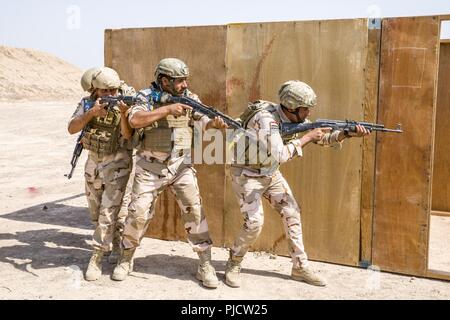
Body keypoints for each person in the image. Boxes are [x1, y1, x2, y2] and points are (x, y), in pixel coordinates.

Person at [225, 80, 370, 287]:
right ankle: (234, 263)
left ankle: (300, 267)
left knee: (292, 212)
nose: (309, 114)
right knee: (255, 223)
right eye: (306, 110)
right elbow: (281, 154)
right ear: (292, 107)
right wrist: (307, 137)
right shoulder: (266, 119)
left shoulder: (292, 118)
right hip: (246, 175)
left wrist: (346, 133)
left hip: (269, 173)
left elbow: (321, 139)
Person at [112, 58, 227, 288]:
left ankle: (205, 264)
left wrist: (214, 124)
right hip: (149, 167)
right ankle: (126, 258)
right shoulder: (144, 97)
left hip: (180, 165)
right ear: (164, 81)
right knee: (138, 214)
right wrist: (166, 110)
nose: (184, 84)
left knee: (195, 212)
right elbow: (134, 120)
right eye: (179, 81)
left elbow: (202, 119)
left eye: (186, 80)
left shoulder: (189, 98)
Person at [68, 67, 134, 281]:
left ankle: (97, 256)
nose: (111, 95)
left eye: (114, 90)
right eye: (105, 91)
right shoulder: (88, 103)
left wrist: (123, 113)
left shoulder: (126, 102)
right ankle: (114, 245)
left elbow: (128, 135)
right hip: (94, 164)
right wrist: (91, 114)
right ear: (95, 90)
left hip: (118, 164)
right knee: (96, 211)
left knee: (111, 212)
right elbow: (71, 128)